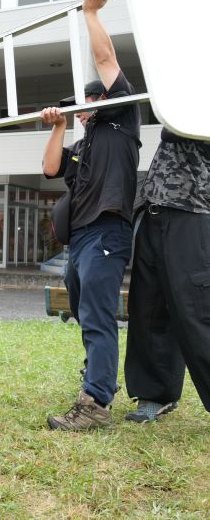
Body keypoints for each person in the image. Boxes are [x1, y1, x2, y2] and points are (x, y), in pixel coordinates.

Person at [40, 0, 141, 431]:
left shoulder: (121, 121)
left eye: (85, 104)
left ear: (102, 102)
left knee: (98, 318)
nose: (79, 110)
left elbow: (105, 59)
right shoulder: (83, 143)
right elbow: (48, 169)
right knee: (86, 315)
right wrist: (59, 127)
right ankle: (96, 379)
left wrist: (90, 13)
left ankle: (96, 403)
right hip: (80, 239)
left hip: (106, 233)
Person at [123, 130, 210, 422]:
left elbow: (174, 128)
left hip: (193, 212)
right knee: (149, 308)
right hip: (154, 212)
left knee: (197, 310)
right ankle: (156, 394)